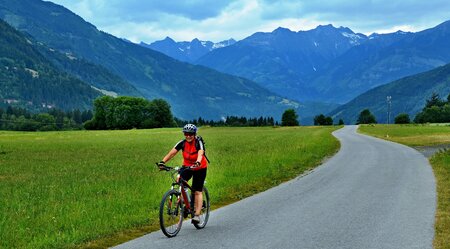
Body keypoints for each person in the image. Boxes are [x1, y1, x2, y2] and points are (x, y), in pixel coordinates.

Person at [158, 124, 208, 224]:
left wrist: (198, 161)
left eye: (190, 134)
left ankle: (197, 215)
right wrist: (162, 162)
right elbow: (172, 153)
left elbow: (200, 153)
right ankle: (187, 203)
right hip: (187, 166)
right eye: (186, 134)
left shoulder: (198, 142)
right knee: (179, 180)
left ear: (194, 134)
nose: (188, 136)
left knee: (197, 190)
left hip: (199, 167)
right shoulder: (182, 143)